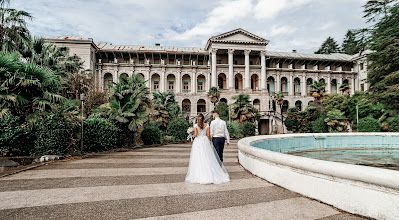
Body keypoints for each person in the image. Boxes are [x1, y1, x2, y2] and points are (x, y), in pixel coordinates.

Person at [185, 114, 230, 184]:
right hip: (205, 141)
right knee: (208, 156)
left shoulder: (196, 126)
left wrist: (191, 134)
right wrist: (210, 141)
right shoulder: (207, 125)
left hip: (198, 142)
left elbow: (196, 135)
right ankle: (210, 172)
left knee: (198, 157)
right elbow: (208, 135)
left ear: (197, 119)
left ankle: (199, 173)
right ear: (203, 119)